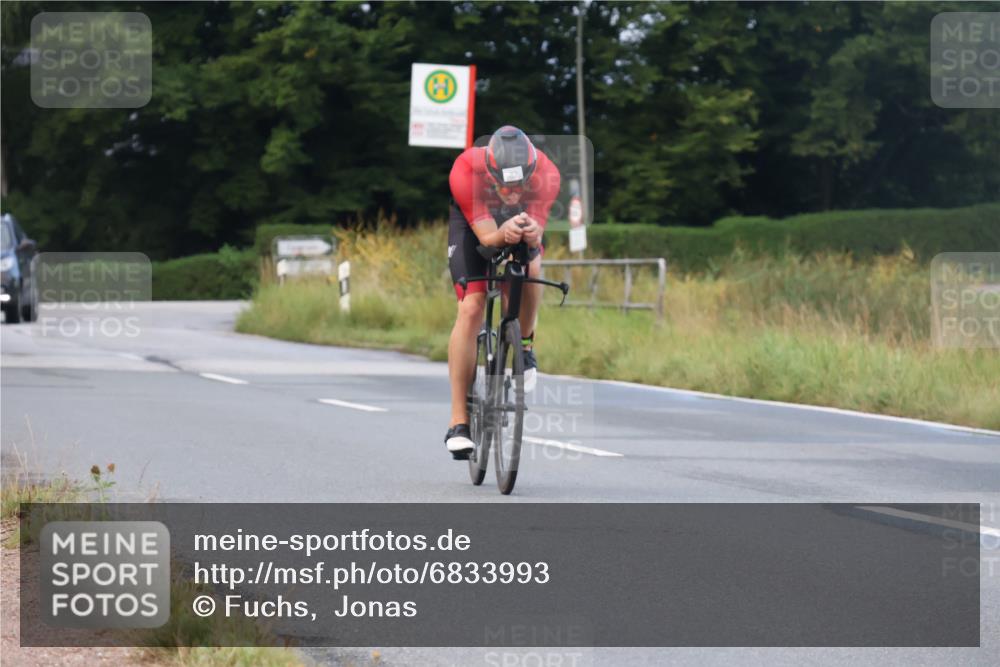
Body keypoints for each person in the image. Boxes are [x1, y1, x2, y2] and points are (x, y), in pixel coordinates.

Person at [443, 125, 561, 459]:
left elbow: (535, 238)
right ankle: (458, 422)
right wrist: (501, 233)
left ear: (533, 173)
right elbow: (486, 239)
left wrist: (531, 234)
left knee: (532, 268)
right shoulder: (466, 169)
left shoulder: (547, 173)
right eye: (503, 185)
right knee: (472, 306)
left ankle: (524, 344)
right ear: (491, 172)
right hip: (474, 226)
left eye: (519, 186)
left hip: (517, 224)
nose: (511, 192)